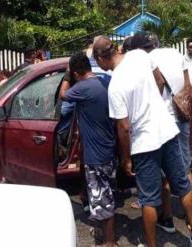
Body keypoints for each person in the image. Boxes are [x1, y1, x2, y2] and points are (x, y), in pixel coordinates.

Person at [93, 36, 192, 247]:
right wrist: (154, 104)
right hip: (168, 131)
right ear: (115, 48)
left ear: (100, 58)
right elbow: (160, 81)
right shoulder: (140, 55)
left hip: (145, 143)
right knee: (183, 186)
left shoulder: (115, 85)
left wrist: (126, 159)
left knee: (149, 199)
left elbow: (124, 127)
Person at [131, 32, 192, 233]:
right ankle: (189, 216)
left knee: (162, 175)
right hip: (181, 115)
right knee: (185, 168)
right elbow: (187, 83)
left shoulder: (145, 61)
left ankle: (166, 218)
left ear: (139, 48)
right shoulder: (175, 53)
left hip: (162, 123)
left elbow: (149, 90)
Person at [60, 52, 116, 247]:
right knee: (102, 194)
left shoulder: (82, 87)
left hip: (96, 155)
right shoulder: (104, 82)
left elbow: (63, 94)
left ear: (76, 72)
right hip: (108, 148)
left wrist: (67, 75)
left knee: (103, 198)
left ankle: (109, 242)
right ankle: (102, 233)